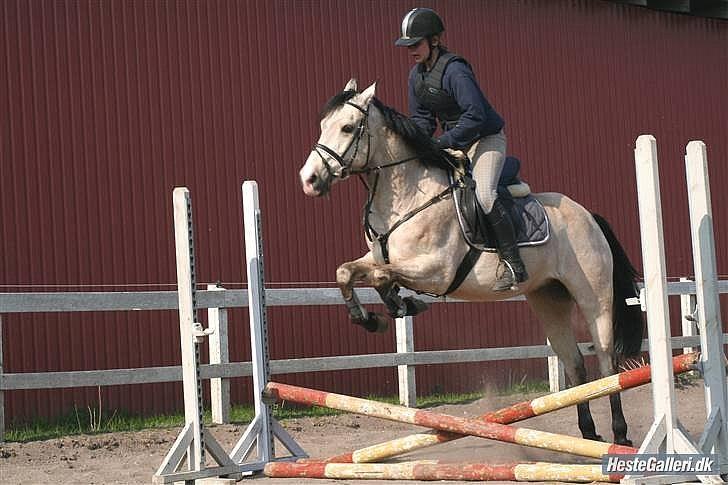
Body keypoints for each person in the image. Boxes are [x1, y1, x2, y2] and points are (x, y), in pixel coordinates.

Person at [395, 7, 528, 291]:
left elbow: (476, 115)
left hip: (486, 139)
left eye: (415, 44)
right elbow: (422, 120)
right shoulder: (416, 77)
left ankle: (513, 264)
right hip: (456, 143)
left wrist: (443, 142)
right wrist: (412, 144)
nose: (410, 51)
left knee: (484, 195)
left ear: (433, 40)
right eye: (407, 46)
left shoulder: (455, 70)